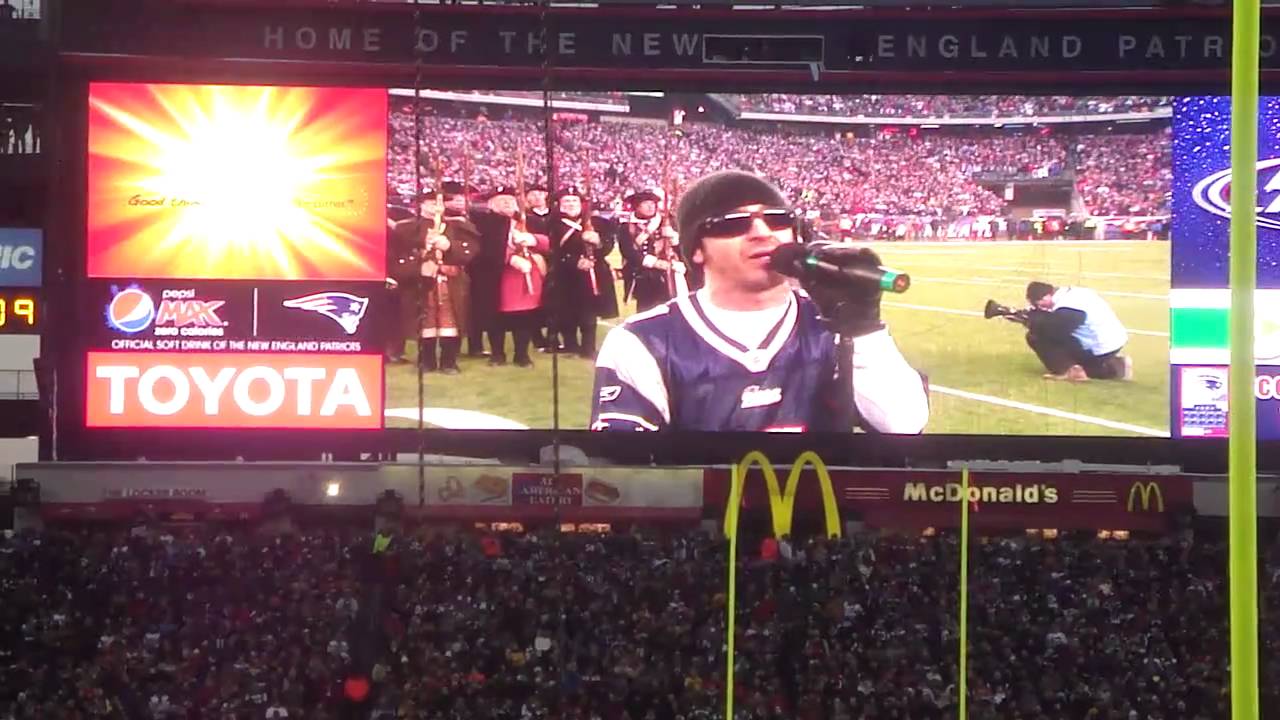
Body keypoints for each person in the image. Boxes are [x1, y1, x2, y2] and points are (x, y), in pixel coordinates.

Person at [589, 170, 929, 433]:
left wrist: (864, 327)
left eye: (778, 219)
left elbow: (903, 425)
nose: (763, 233)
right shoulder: (642, 341)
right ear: (695, 249)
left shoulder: (834, 323)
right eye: (733, 223)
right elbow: (626, 472)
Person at [547, 186, 619, 359]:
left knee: (590, 313)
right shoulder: (551, 224)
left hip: (592, 273)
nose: (571, 204)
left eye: (574, 201)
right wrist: (575, 261)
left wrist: (598, 242)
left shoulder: (597, 223)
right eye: (566, 201)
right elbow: (552, 250)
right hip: (565, 275)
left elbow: (607, 245)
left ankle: (588, 348)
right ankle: (571, 345)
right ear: (559, 204)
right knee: (567, 312)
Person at [418, 181, 479, 374]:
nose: (434, 208)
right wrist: (420, 266)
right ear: (420, 206)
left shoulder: (458, 226)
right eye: (428, 203)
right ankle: (426, 361)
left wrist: (449, 246)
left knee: (451, 321)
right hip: (423, 281)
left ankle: (449, 361)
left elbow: (471, 251)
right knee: (425, 321)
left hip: (451, 280)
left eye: (437, 203)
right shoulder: (409, 227)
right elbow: (401, 254)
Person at [1023, 281, 1132, 381]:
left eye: (1038, 303)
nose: (1039, 307)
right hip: (1113, 341)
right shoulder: (1074, 293)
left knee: (1036, 336)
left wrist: (1029, 321)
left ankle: (1067, 370)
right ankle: (1115, 365)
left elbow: (1055, 332)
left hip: (1100, 346)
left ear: (1047, 296)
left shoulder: (1069, 307)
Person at [616, 189, 687, 313]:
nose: (651, 206)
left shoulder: (669, 223)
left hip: (670, 275)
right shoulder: (626, 227)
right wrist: (655, 263)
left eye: (653, 203)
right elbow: (628, 251)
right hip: (644, 278)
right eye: (645, 203)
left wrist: (673, 238)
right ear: (636, 206)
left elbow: (684, 250)